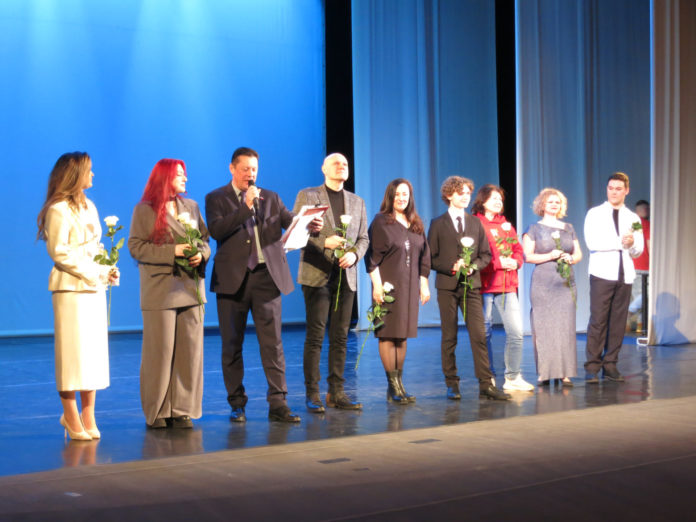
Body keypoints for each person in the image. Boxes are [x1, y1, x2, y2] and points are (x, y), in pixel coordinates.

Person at [205, 147, 321, 423]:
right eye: (245, 169)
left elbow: (290, 221)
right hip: (232, 281)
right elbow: (217, 230)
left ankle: (278, 402)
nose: (251, 174)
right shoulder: (216, 198)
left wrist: (309, 225)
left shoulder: (271, 197)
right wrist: (245, 207)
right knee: (232, 344)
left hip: (266, 278)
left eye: (254, 169)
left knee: (273, 344)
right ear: (232, 169)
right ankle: (237, 403)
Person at [37, 152, 119, 440]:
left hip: (93, 287)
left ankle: (88, 414)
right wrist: (92, 272)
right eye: (89, 170)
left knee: (92, 352)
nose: (93, 174)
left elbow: (95, 247)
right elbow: (60, 252)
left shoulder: (89, 206)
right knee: (72, 354)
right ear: (75, 174)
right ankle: (70, 414)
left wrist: (107, 269)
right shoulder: (58, 209)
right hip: (70, 288)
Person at [128, 159, 210, 429]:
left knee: (190, 352)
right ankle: (159, 410)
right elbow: (136, 247)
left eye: (185, 174)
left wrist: (201, 254)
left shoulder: (191, 206)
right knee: (160, 354)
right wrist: (171, 252)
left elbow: (204, 241)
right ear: (165, 177)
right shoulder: (145, 210)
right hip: (161, 290)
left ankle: (182, 409)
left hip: (190, 288)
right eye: (179, 174)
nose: (185, 178)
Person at [293, 153, 369, 412]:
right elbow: (296, 230)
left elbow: (364, 238)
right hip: (317, 273)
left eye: (345, 163)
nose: (342, 166)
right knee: (315, 336)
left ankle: (336, 392)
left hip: (346, 276)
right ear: (324, 168)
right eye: (336, 163)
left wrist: (354, 254)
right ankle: (313, 394)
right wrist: (324, 242)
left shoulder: (357, 201)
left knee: (340, 337)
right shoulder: (308, 195)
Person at [428, 176, 509, 401]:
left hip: (471, 286)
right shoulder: (438, 223)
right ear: (449, 195)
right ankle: (452, 384)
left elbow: (485, 255)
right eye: (461, 193)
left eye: (468, 193)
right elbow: (431, 258)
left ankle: (486, 384)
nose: (466, 197)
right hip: (447, 286)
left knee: (479, 334)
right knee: (449, 336)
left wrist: (472, 267)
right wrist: (451, 267)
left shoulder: (475, 223)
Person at [365, 178, 430, 403]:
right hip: (387, 287)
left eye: (405, 194)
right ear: (390, 197)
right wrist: (377, 286)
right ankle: (393, 386)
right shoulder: (381, 222)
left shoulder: (415, 223)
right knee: (387, 335)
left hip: (409, 288)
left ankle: (399, 385)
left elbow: (424, 256)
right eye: (398, 194)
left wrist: (423, 284)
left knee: (402, 336)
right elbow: (371, 258)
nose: (401, 198)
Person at [471, 185, 534, 392]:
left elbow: (517, 249)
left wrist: (516, 262)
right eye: (494, 198)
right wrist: (498, 263)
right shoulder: (475, 223)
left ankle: (513, 376)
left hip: (507, 285)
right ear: (482, 201)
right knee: (484, 333)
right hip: (484, 285)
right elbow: (475, 255)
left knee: (516, 332)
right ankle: (487, 375)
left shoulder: (505, 224)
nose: (498, 202)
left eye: (500, 199)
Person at [584, 172, 643, 382]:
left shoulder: (633, 218)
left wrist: (632, 244)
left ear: (626, 190)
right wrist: (620, 242)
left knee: (618, 322)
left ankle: (610, 364)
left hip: (624, 274)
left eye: (618, 189)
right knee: (598, 320)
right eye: (611, 188)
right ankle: (592, 366)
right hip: (602, 273)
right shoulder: (595, 213)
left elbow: (638, 249)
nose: (614, 192)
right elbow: (592, 242)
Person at [522, 188, 582, 386]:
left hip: (565, 282)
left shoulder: (568, 227)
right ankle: (545, 372)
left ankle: (564, 372)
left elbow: (578, 253)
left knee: (565, 326)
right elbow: (527, 256)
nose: (554, 205)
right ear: (542, 205)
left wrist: (570, 258)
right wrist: (550, 255)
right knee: (544, 327)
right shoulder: (533, 228)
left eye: (557, 202)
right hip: (543, 283)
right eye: (550, 202)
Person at [627, 200, 650, 332]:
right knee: (644, 295)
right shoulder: (646, 224)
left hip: (634, 264)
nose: (646, 211)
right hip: (644, 265)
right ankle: (631, 315)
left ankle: (639, 325)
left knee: (639, 295)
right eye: (645, 209)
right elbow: (649, 243)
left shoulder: (633, 224)